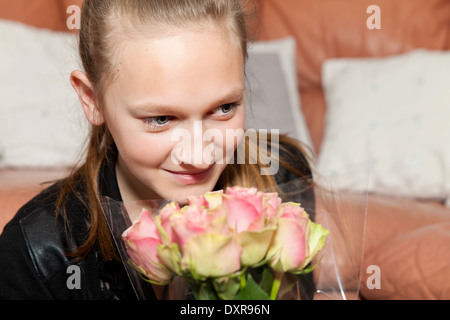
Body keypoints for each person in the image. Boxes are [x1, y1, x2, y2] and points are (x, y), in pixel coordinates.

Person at [0, 0, 314, 300]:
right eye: (160, 119)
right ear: (92, 100)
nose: (199, 156)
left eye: (224, 108)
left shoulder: (283, 175)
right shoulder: (37, 251)